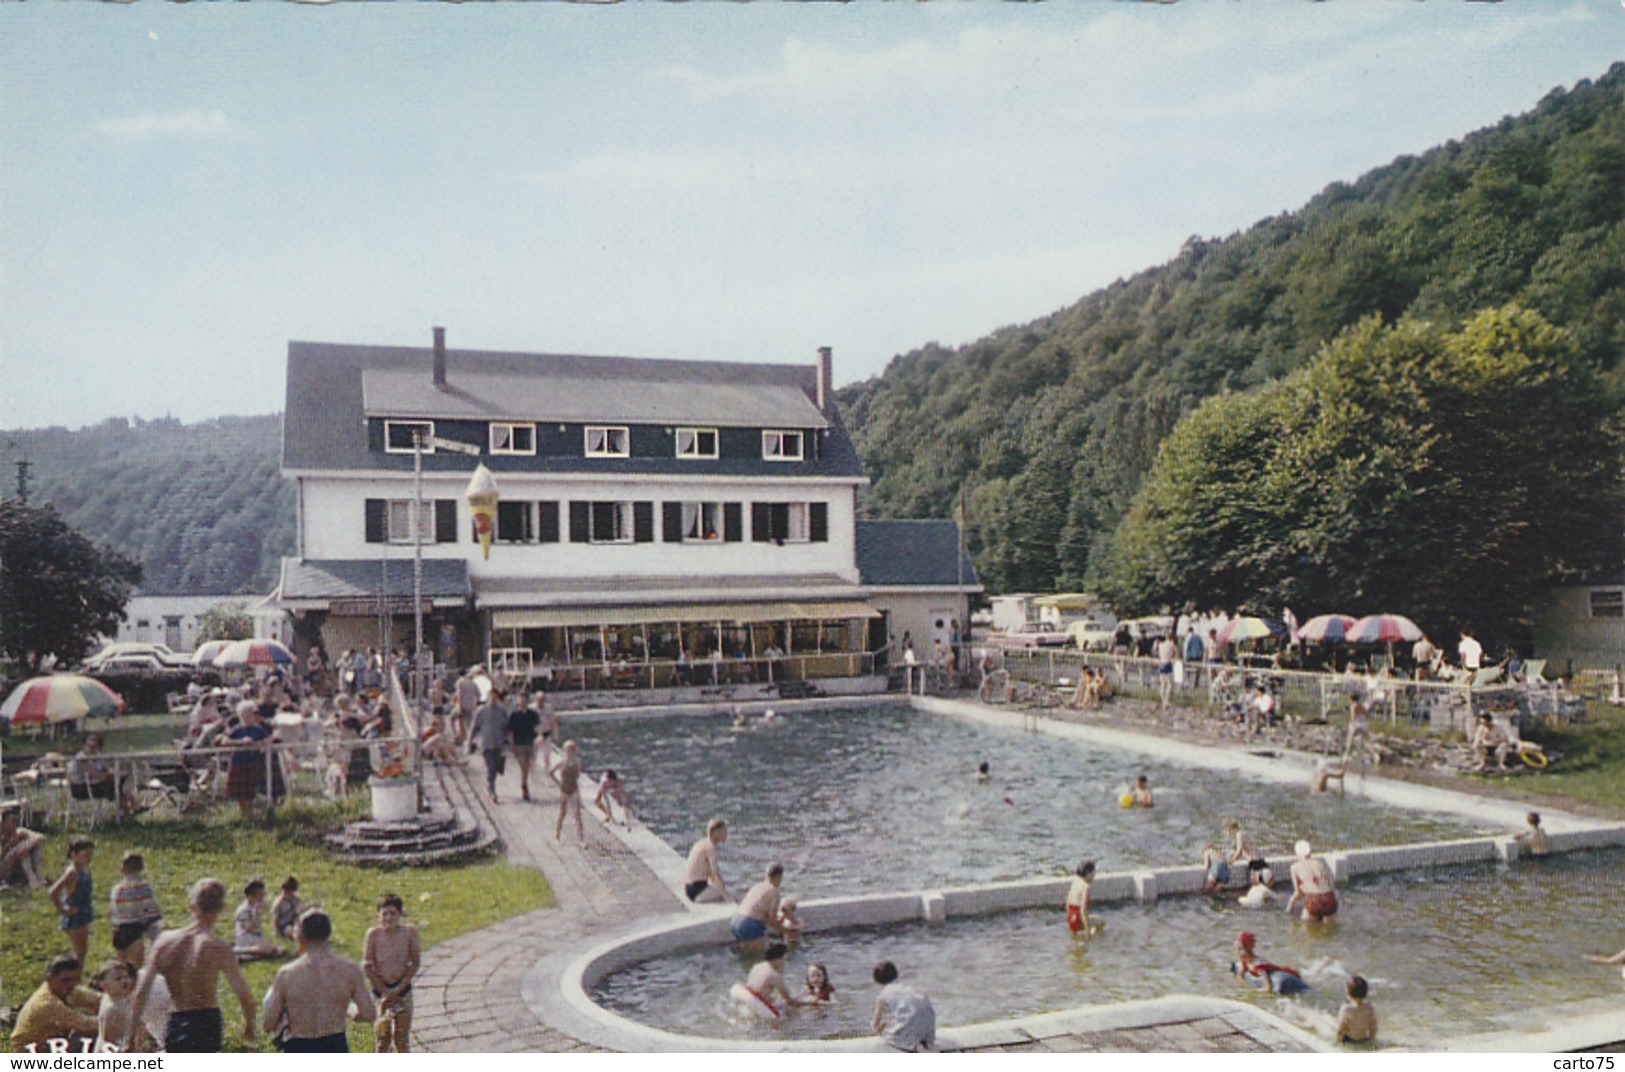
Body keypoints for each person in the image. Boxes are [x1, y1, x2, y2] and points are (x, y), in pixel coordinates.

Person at [129, 877, 258, 1053]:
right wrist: (250, 1026)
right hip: (205, 1021)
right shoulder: (216, 947)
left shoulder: (164, 942)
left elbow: (141, 992)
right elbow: (243, 995)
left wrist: (130, 1038)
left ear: (192, 906)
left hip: (176, 1019)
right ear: (220, 908)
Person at [261, 910, 374, 1052]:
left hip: (299, 1046)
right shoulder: (349, 970)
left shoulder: (286, 974)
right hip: (335, 1044)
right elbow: (368, 1013)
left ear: (301, 936)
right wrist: (348, 1009)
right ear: (328, 934)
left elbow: (268, 1024)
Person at [363, 893, 421, 1053]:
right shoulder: (373, 935)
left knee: (402, 1039)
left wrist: (398, 989)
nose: (388, 918)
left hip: (402, 990)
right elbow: (367, 966)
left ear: (400, 914)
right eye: (384, 914)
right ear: (378, 915)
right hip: (380, 991)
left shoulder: (409, 933)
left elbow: (415, 962)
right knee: (382, 1039)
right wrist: (385, 992)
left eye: (392, 913)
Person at [11, 955, 100, 1053]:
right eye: (66, 980)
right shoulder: (46, 1003)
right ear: (49, 979)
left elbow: (99, 999)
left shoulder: (65, 990)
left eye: (76, 979)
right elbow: (86, 1024)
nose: (72, 984)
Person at [109, 852, 164, 969]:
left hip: (119, 931)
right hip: (135, 932)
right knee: (134, 971)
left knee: (121, 967)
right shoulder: (144, 888)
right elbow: (151, 913)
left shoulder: (117, 889)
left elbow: (114, 912)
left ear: (122, 868)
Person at [871, 960, 936, 1052]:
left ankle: (910, 1047)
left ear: (877, 980)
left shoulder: (883, 995)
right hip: (929, 1024)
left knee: (889, 1032)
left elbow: (875, 1024)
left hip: (910, 1028)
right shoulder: (909, 988)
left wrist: (881, 1030)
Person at [225, 700, 274, 820]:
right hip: (238, 762)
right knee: (239, 791)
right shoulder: (237, 729)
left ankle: (250, 814)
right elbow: (225, 741)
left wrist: (258, 743)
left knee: (250, 790)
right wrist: (241, 742)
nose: (252, 716)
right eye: (248, 714)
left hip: (252, 763)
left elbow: (269, 739)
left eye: (253, 714)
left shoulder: (258, 729)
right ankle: (243, 814)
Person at [50, 838, 95, 965]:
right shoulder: (72, 872)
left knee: (82, 951)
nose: (89, 858)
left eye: (91, 854)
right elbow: (53, 892)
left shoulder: (85, 869)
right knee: (79, 953)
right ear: (74, 854)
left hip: (83, 911)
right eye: (85, 854)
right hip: (75, 915)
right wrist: (62, 909)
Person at [731, 943, 798, 1020]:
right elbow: (789, 1000)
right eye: (784, 959)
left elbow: (755, 986)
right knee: (784, 1017)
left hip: (740, 992)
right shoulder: (774, 975)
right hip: (754, 1001)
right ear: (779, 959)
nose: (784, 963)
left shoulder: (757, 966)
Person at [1231, 931, 1309, 995]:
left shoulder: (1257, 966)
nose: (1237, 952)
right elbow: (1240, 975)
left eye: (1239, 949)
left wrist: (1253, 991)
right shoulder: (1246, 960)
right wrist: (1242, 985)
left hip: (1287, 972)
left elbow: (1268, 988)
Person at [732, 861, 787, 949]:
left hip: (736, 920)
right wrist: (784, 931)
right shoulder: (774, 891)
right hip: (749, 923)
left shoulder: (757, 886)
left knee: (746, 950)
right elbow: (771, 919)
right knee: (760, 955)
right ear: (778, 877)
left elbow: (763, 915)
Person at [470, 689, 510, 802]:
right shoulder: (481, 711)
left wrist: (507, 741)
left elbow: (506, 726)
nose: (492, 699)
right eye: (490, 696)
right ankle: (492, 790)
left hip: (498, 743)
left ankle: (491, 784)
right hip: (485, 743)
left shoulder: (502, 711)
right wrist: (470, 740)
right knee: (490, 767)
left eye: (494, 696)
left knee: (496, 767)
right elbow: (475, 726)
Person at [1287, 840, 1338, 922]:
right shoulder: (1320, 863)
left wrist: (1289, 908)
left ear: (1297, 854)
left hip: (1313, 901)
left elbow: (1298, 893)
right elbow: (1331, 884)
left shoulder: (1295, 867)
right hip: (1329, 899)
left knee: (1307, 925)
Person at [684, 818, 732, 903]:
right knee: (730, 894)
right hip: (697, 891)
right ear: (715, 832)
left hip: (690, 888)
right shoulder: (710, 848)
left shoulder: (703, 843)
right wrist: (726, 896)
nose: (726, 834)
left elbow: (711, 876)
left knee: (724, 890)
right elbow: (715, 874)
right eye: (723, 831)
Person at [0, 804, 48, 888]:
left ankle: (37, 875)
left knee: (31, 847)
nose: (14, 825)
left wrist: (26, 844)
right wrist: (10, 844)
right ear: (3, 823)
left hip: (16, 866)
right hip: (3, 868)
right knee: (22, 849)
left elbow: (41, 837)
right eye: (12, 822)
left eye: (16, 822)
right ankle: (33, 878)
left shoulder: (18, 832)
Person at [233, 878, 280, 960]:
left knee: (275, 950)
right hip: (246, 939)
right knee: (269, 950)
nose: (262, 898)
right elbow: (250, 928)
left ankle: (255, 953)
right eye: (260, 896)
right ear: (251, 897)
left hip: (256, 938)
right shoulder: (243, 910)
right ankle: (240, 951)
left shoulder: (254, 906)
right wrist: (255, 912)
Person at [507, 693, 541, 802]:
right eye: (521, 699)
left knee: (527, 764)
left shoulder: (532, 714)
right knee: (523, 764)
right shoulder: (514, 715)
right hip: (519, 742)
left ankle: (524, 783)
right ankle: (524, 785)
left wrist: (538, 738)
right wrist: (511, 744)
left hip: (529, 742)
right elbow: (510, 730)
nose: (522, 702)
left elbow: (537, 727)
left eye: (524, 700)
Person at [554, 739, 585, 843]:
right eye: (568, 750)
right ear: (564, 751)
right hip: (564, 789)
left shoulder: (577, 762)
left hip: (574, 789)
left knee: (577, 814)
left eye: (572, 750)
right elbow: (551, 772)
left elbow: (579, 774)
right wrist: (558, 783)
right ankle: (557, 834)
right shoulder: (562, 762)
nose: (570, 752)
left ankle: (581, 838)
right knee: (563, 813)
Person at [1335, 975, 1378, 1043]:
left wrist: (1336, 1039)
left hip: (1348, 1039)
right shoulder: (1369, 1008)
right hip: (1363, 1039)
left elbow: (1341, 1027)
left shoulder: (1346, 1008)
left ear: (1348, 994)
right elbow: (1373, 1027)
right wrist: (1372, 1040)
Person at [271, 876, 305, 942]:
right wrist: (277, 932)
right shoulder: (279, 903)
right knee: (291, 931)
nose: (286, 893)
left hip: (294, 921)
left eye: (288, 891)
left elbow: (298, 912)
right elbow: (276, 919)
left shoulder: (296, 900)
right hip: (284, 924)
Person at [1065, 859, 1094, 935]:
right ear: (1088, 874)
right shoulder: (1085, 886)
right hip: (1079, 918)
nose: (1094, 876)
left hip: (1071, 918)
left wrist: (1069, 920)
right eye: (1093, 873)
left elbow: (1068, 902)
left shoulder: (1075, 882)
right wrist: (1087, 931)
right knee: (1101, 922)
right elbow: (1083, 911)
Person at [453, 669, 481, 747]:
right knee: (469, 724)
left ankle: (456, 736)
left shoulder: (460, 682)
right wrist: (475, 703)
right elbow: (479, 695)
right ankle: (472, 741)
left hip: (462, 705)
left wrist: (459, 706)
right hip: (471, 706)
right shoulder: (472, 682)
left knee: (451, 719)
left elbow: (459, 695)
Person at [1156, 634, 1179, 709]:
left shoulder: (1161, 645)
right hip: (1168, 663)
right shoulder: (1172, 645)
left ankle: (1163, 700)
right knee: (1169, 684)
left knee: (1163, 684)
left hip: (1161, 663)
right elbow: (1176, 654)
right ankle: (1166, 700)